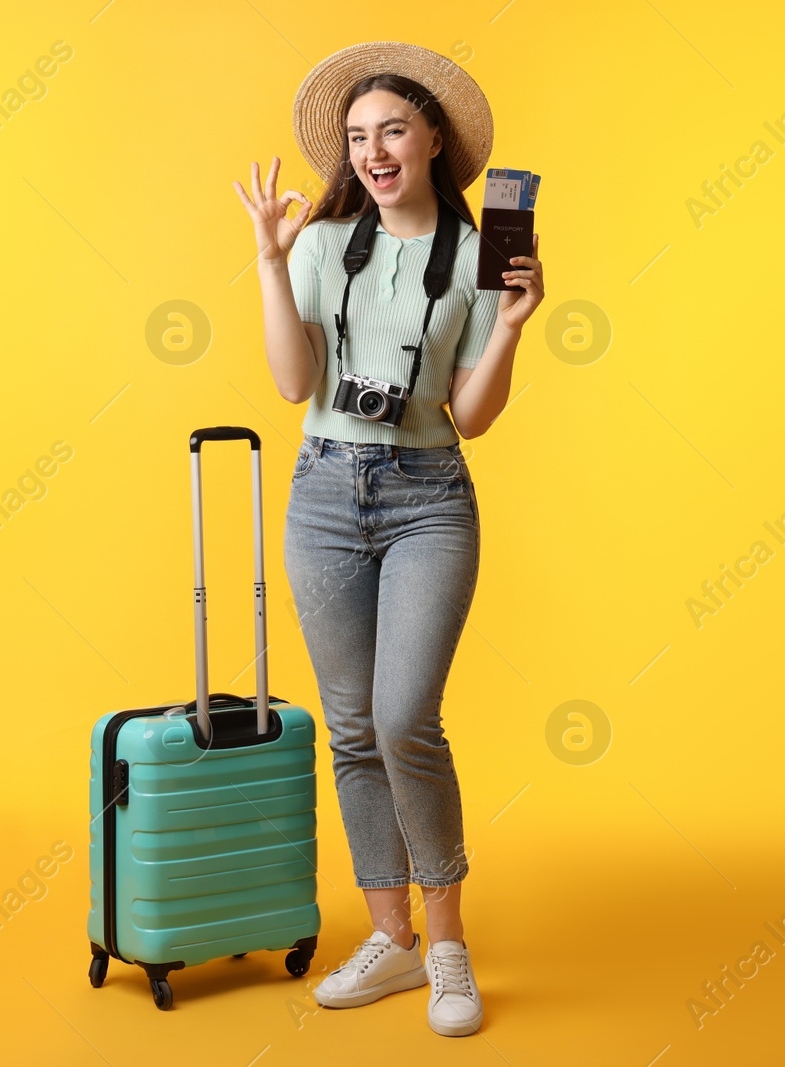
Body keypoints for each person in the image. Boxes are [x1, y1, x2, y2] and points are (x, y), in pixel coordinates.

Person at [232, 41, 543, 1037]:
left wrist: (510, 327)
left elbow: (474, 413)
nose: (373, 150)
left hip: (427, 492)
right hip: (324, 487)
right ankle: (391, 939)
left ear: (432, 139)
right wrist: (272, 265)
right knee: (352, 725)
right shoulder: (323, 243)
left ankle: (446, 942)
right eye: (358, 137)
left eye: (391, 130)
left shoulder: (479, 253)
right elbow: (292, 383)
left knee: (405, 714)